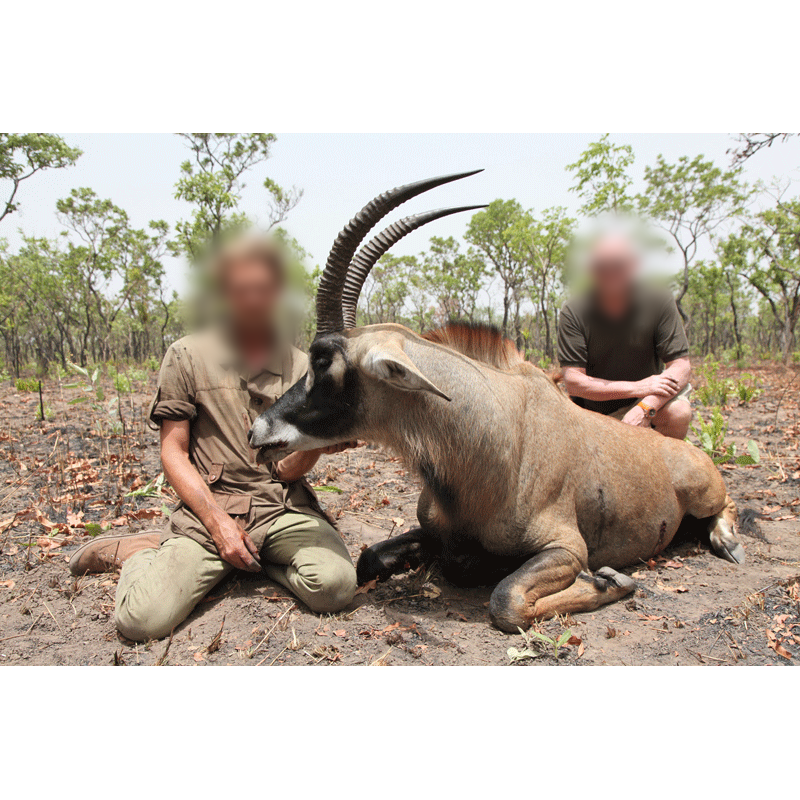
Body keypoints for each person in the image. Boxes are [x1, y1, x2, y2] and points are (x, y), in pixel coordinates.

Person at [68, 234, 358, 642]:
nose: (253, 300)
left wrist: (316, 447)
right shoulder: (187, 355)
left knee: (336, 587)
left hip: (280, 510)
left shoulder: (300, 367)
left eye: (263, 289)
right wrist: (218, 524)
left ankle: (250, 562)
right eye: (241, 290)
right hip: (210, 511)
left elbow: (288, 471)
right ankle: (142, 552)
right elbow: (173, 452)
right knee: (140, 622)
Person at [557, 232, 693, 439]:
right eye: (602, 266)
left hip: (646, 403)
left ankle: (661, 469)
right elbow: (574, 381)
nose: (610, 273)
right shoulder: (574, 310)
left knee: (678, 413)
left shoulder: (659, 301)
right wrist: (636, 387)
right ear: (592, 270)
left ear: (633, 265)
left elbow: (680, 366)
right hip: (595, 412)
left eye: (618, 265)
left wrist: (646, 407)